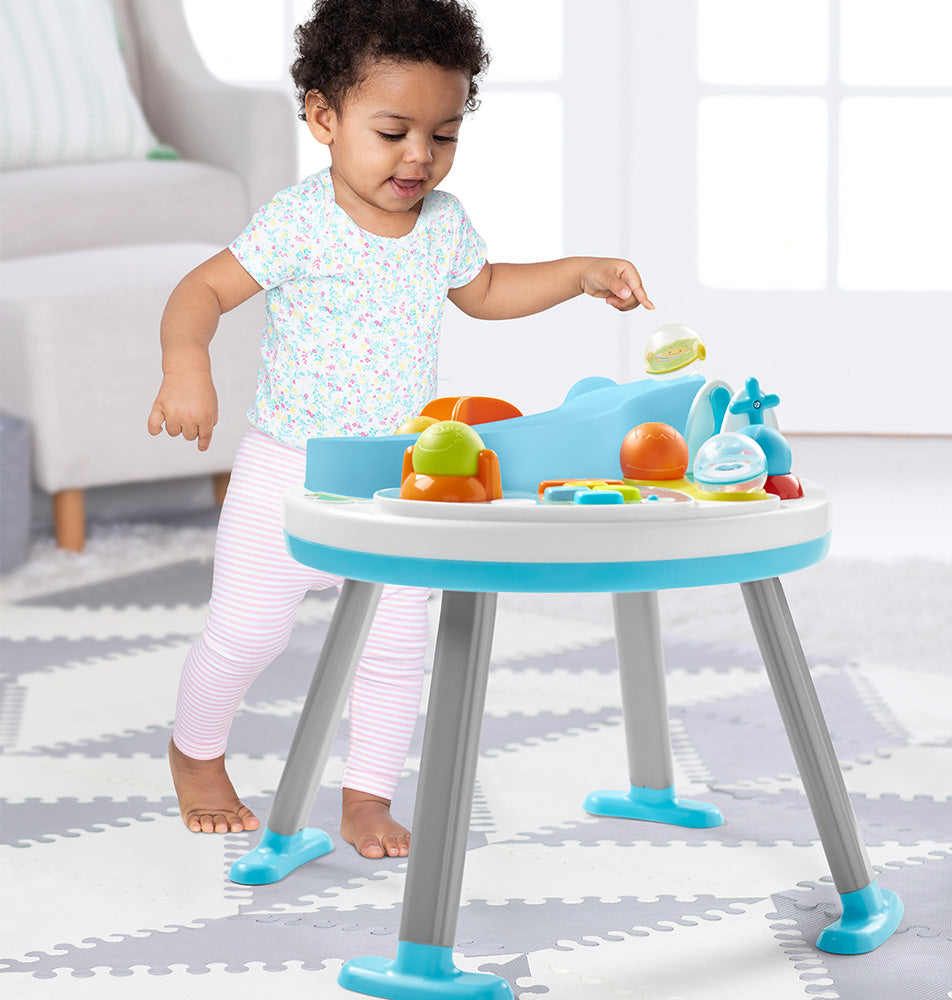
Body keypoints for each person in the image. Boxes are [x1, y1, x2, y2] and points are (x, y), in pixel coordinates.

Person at [147, 0, 654, 860]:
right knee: (246, 636)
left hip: (396, 480)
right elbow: (200, 292)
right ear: (324, 118)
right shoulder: (298, 221)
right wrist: (185, 367)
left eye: (443, 134)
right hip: (288, 473)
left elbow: (486, 292)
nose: (419, 156)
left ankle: (367, 797)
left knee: (393, 649)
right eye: (392, 132)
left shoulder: (443, 225)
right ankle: (195, 758)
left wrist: (579, 273)